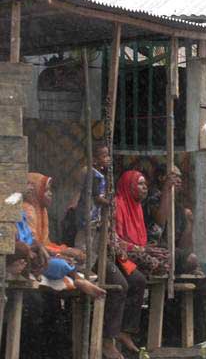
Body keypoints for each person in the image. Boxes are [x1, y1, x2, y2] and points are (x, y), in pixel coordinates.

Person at [72, 145, 146, 358]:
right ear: (94, 158)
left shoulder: (103, 180)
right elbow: (94, 203)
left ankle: (120, 333)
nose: (108, 160)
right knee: (120, 285)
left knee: (135, 279)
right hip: (92, 242)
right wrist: (105, 203)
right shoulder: (91, 177)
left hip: (107, 247)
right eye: (104, 156)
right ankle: (107, 340)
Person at [22, 173, 106, 298]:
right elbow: (34, 244)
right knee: (59, 265)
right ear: (34, 191)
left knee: (69, 261)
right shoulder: (28, 210)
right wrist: (62, 253)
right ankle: (78, 279)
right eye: (46, 190)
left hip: (41, 254)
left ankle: (77, 278)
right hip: (30, 257)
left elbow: (45, 243)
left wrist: (65, 251)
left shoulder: (41, 211)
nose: (50, 194)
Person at [143, 165, 199, 274]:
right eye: (174, 177)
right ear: (161, 178)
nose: (179, 181)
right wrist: (167, 188)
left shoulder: (177, 206)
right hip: (152, 246)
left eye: (180, 177)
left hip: (168, 248)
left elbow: (183, 243)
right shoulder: (152, 197)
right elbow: (160, 220)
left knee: (191, 260)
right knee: (191, 260)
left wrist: (189, 222)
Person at [115, 170, 170, 276]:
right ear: (129, 186)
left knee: (166, 256)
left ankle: (146, 271)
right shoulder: (118, 204)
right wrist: (141, 249)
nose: (145, 187)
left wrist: (146, 248)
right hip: (121, 254)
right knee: (150, 263)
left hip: (138, 250)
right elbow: (116, 241)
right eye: (140, 184)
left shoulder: (137, 207)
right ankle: (140, 272)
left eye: (145, 184)